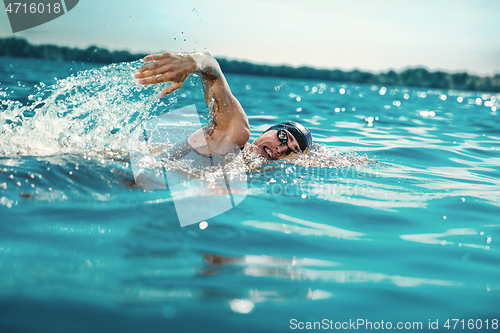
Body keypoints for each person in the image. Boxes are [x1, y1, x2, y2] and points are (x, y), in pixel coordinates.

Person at [134, 51, 312, 161]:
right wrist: (194, 63)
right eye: (282, 137)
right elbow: (214, 72)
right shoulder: (236, 136)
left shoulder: (256, 165)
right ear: (268, 130)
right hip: (131, 176)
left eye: (291, 151)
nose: (280, 149)